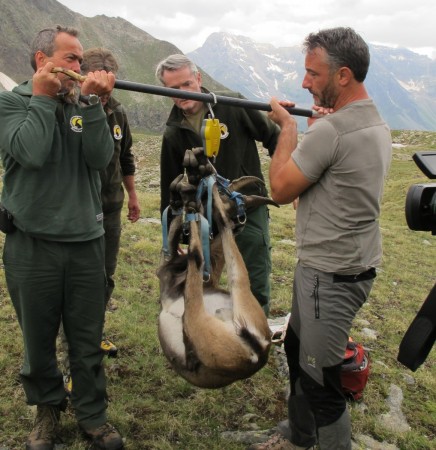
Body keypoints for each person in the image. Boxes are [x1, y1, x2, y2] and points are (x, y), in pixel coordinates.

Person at [249, 27, 392, 450]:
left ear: (343, 75)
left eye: (312, 74)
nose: (304, 82)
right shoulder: (371, 120)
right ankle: (298, 436)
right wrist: (316, 131)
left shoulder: (331, 133)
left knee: (321, 381)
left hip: (328, 276)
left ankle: (320, 437)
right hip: (346, 265)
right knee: (296, 349)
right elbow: (334, 181)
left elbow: (279, 189)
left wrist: (289, 130)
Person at [0, 26, 124, 449]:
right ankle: (47, 412)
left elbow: (100, 159)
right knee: (38, 342)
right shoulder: (11, 101)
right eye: (71, 59)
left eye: (80, 59)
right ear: (41, 60)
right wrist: (42, 96)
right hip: (31, 246)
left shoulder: (84, 105)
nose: (80, 67)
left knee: (87, 340)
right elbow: (30, 152)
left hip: (87, 243)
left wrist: (93, 104)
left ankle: (93, 416)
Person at [155, 54, 280, 316]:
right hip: (206, 218)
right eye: (173, 89)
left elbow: (273, 137)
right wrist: (173, 236)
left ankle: (256, 338)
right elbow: (170, 186)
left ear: (198, 78)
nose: (183, 93)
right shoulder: (173, 132)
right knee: (203, 280)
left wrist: (284, 177)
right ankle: (207, 337)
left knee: (254, 276)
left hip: (247, 208)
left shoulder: (232, 104)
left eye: (187, 84)